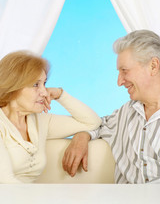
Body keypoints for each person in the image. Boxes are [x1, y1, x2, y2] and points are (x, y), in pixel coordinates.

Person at [62, 30, 160, 184]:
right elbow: (100, 124)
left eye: (124, 71)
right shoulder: (127, 112)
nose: (119, 82)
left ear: (153, 66)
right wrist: (82, 135)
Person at [0, 50, 101, 183]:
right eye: (36, 84)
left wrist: (59, 94)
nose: (44, 92)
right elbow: (6, 183)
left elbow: (91, 122)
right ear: (14, 86)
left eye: (44, 84)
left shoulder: (40, 121)